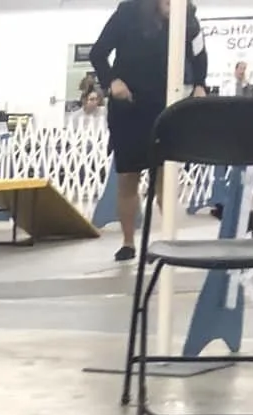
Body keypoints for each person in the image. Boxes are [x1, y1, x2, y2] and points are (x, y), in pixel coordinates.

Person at [90, 0, 209, 261]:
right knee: (128, 178)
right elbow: (98, 53)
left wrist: (200, 84)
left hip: (167, 107)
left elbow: (199, 56)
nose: (171, 5)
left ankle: (169, 242)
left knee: (166, 177)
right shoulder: (128, 12)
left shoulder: (187, 17)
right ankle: (128, 242)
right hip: (129, 106)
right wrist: (112, 81)